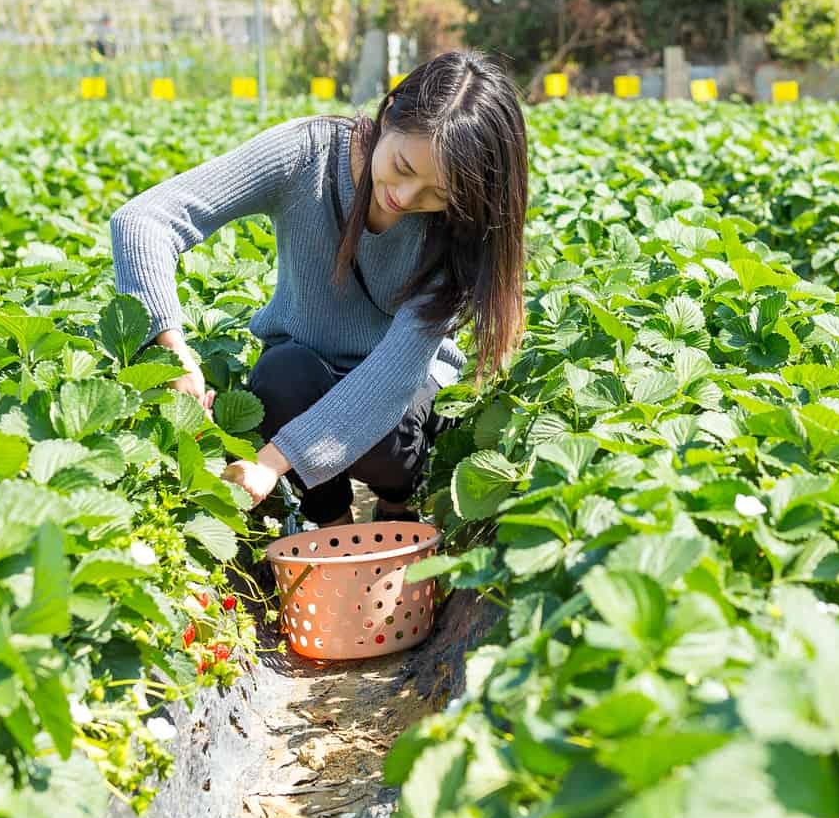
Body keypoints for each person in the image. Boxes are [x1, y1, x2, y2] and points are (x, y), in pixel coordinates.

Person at [109, 50, 530, 525]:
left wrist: (268, 463)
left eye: (438, 193)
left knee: (389, 445)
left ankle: (400, 500)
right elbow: (141, 220)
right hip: (307, 368)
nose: (406, 198)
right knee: (281, 378)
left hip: (402, 398)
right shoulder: (306, 154)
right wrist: (171, 350)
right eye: (404, 168)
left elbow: (388, 382)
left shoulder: (461, 231)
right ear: (389, 113)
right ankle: (328, 522)